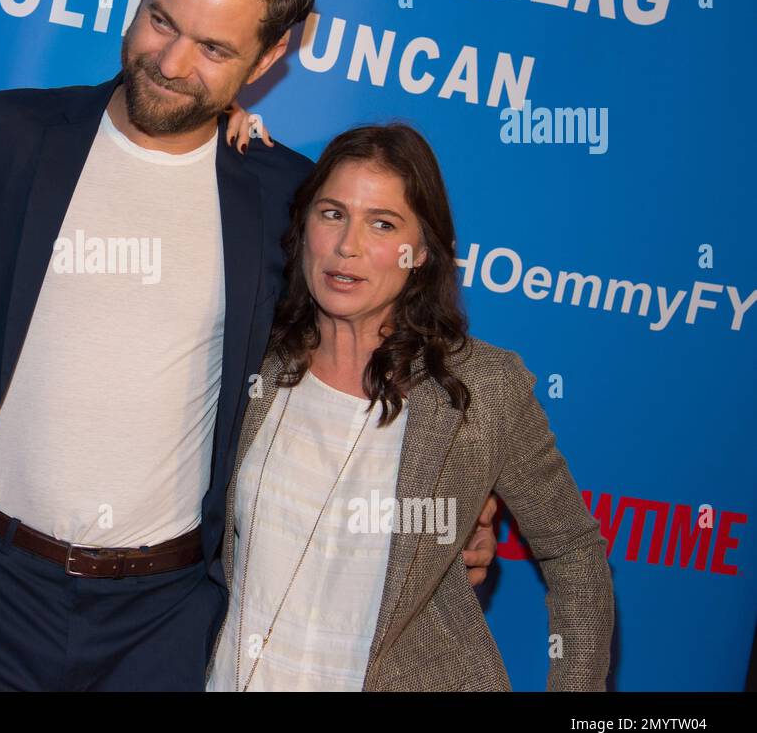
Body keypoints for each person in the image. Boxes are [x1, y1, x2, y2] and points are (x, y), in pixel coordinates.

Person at [0, 0, 501, 691]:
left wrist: (448, 506)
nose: (172, 62)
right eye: (163, 22)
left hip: (161, 620)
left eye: (214, 50)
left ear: (265, 64)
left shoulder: (282, 202)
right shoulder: (6, 139)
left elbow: (371, 358)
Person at [205, 124, 614, 691]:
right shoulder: (252, 357)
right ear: (303, 227)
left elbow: (573, 553)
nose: (347, 245)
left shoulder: (481, 389)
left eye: (382, 224)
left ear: (420, 251)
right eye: (331, 213)